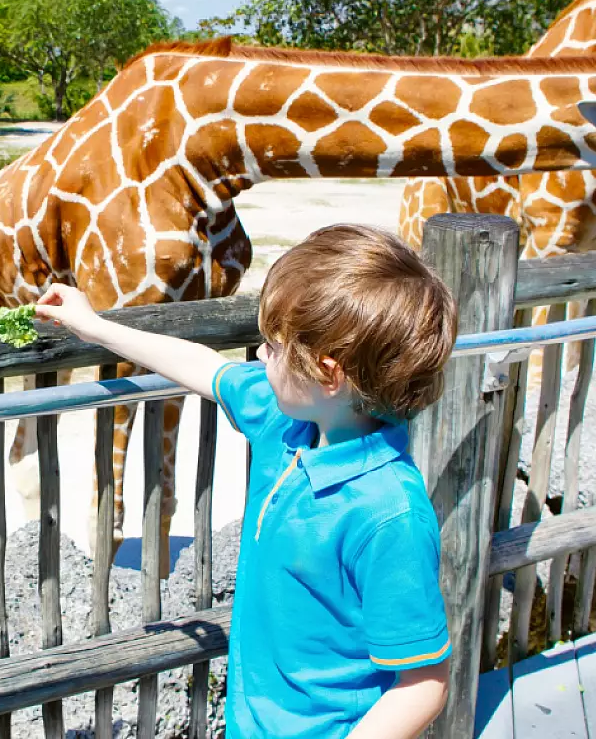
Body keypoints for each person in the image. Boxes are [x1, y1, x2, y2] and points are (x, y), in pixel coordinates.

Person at [35, 224, 456, 738]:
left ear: (328, 375)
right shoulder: (290, 423)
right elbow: (204, 366)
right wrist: (96, 327)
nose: (259, 355)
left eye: (274, 347)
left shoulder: (389, 514)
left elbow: (425, 680)